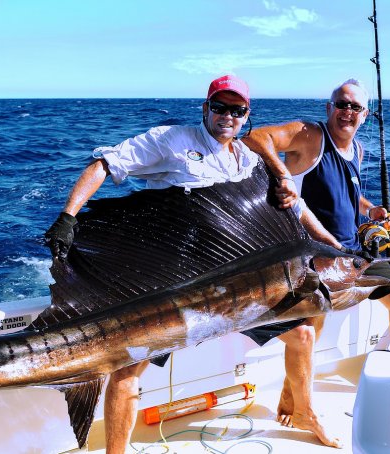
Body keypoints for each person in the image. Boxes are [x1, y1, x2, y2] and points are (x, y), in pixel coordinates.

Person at [44, 74, 335, 453]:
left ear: (246, 116)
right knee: (126, 368)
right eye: (220, 107)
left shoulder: (247, 159)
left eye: (237, 110)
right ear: (205, 109)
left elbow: (294, 205)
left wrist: (328, 242)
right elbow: (106, 163)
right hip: (172, 282)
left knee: (302, 333)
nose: (227, 116)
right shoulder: (172, 140)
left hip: (233, 286)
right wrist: (68, 215)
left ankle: (303, 412)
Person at [242, 78, 390, 445]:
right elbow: (255, 138)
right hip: (312, 254)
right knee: (311, 328)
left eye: (355, 107)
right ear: (329, 107)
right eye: (341, 104)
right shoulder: (310, 136)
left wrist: (375, 211)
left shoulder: (357, 150)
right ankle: (293, 403)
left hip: (353, 252)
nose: (347, 112)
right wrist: (281, 175)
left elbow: (350, 198)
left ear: (365, 115)